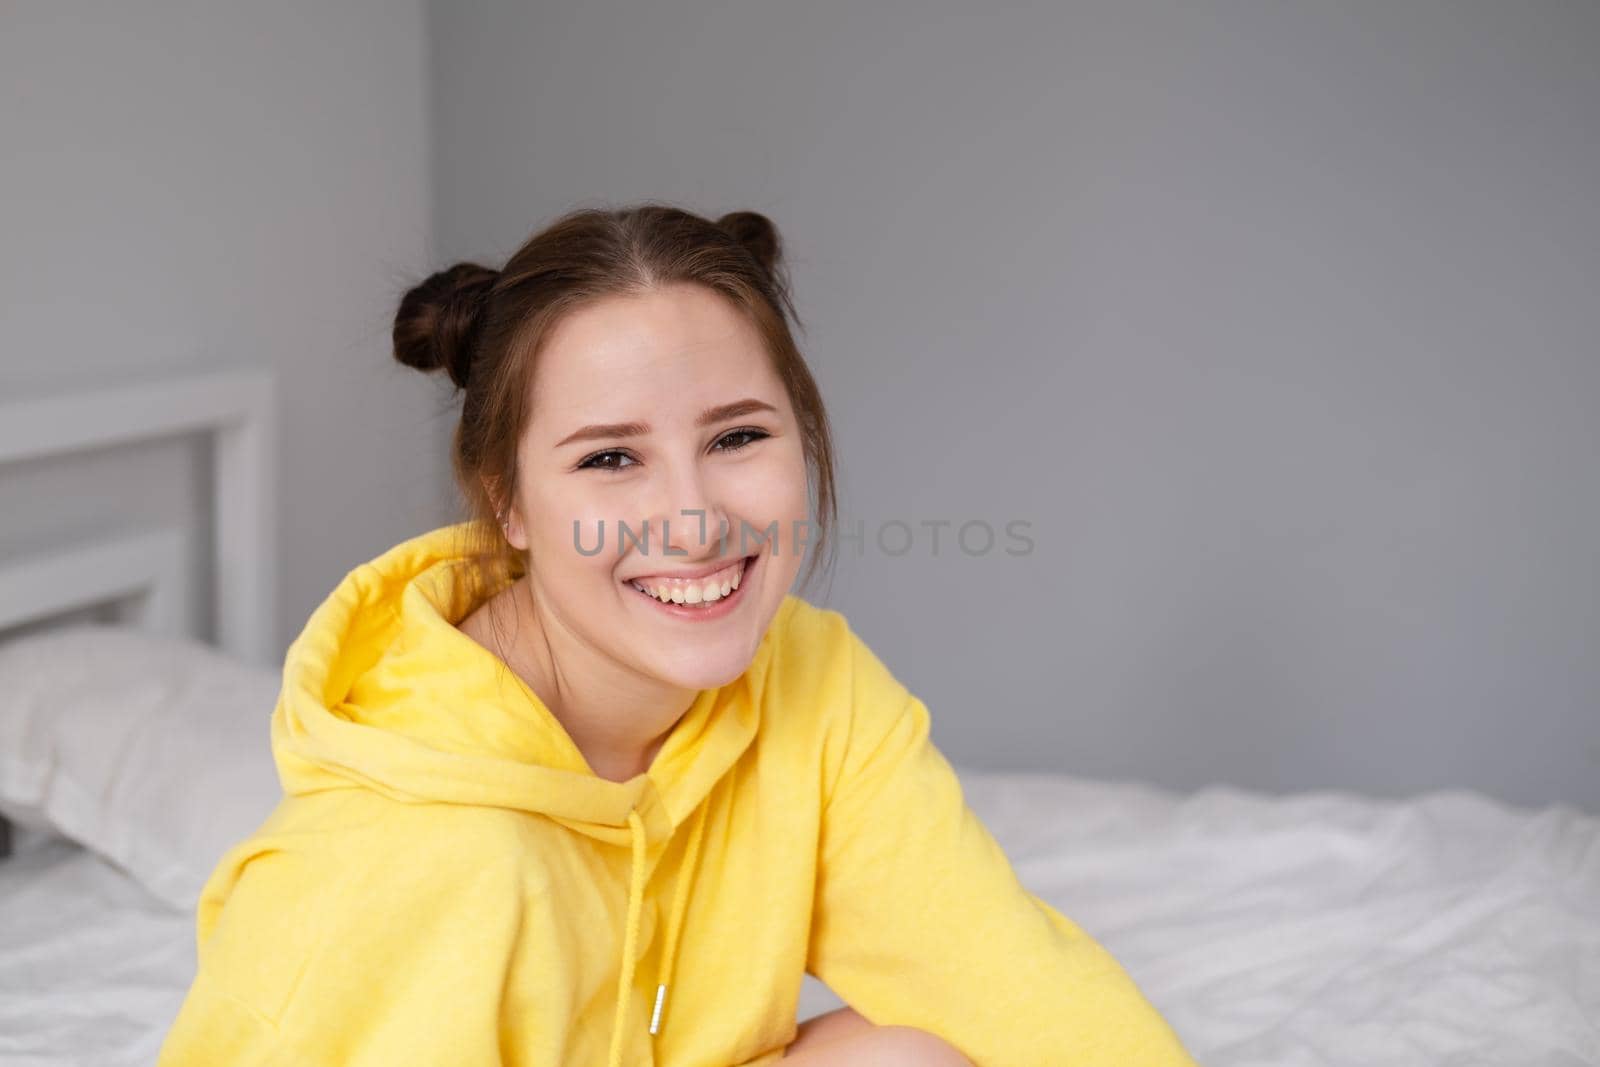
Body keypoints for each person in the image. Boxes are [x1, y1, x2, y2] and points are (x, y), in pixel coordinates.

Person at [156, 203, 1196, 1066]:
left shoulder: (810, 680)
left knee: (901, 1057)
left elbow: (1003, 979)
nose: (696, 522)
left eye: (737, 436)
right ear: (505, 499)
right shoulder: (418, 858)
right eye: (611, 459)